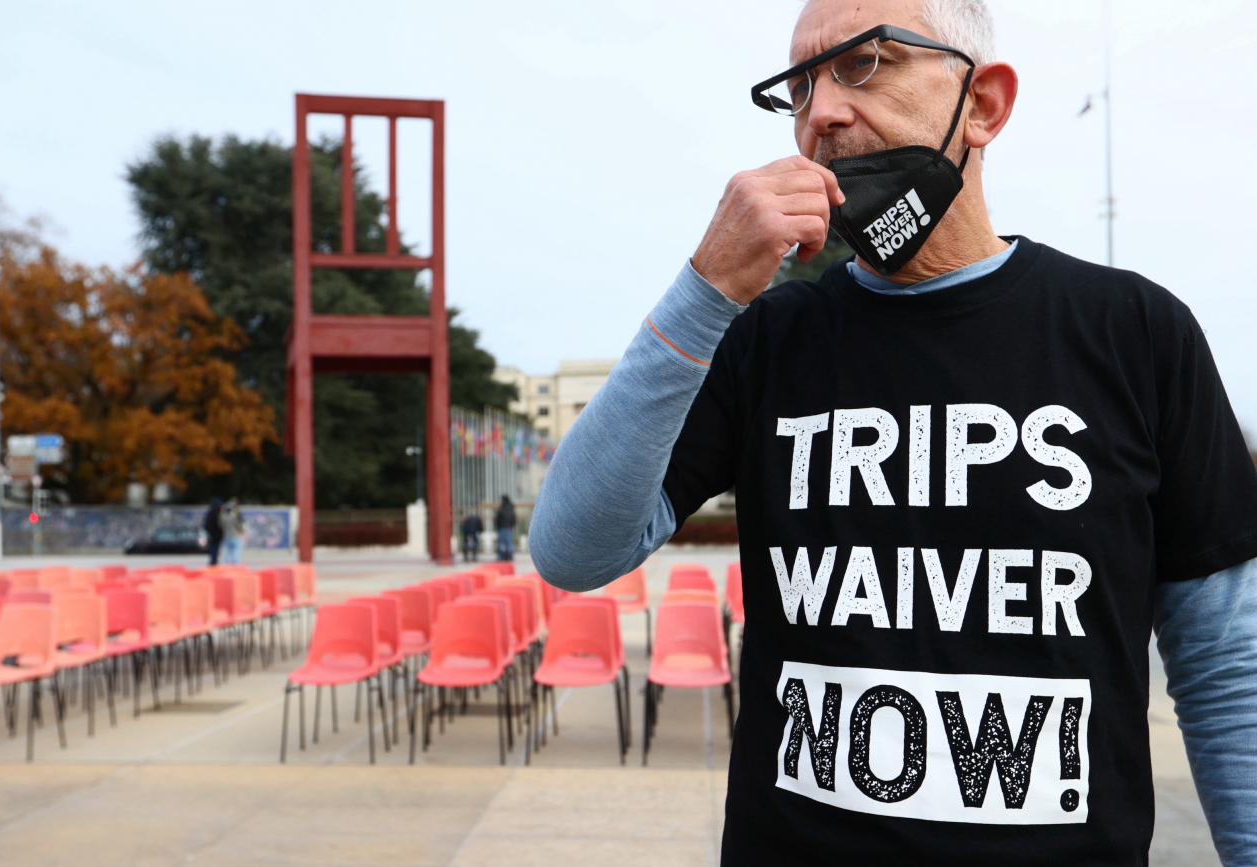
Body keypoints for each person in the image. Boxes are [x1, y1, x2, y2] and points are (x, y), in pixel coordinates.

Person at [529, 1, 1257, 864]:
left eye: (864, 63)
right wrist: (707, 288)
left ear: (983, 104)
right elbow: (573, 550)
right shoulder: (767, 339)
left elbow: (1224, 664)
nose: (821, 112)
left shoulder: (1133, 332)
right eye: (799, 88)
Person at [220, 497, 246, 565]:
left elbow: (221, 525)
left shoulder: (223, 516)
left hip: (227, 536)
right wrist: (243, 532)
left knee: (227, 554)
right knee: (236, 553)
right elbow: (239, 525)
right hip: (236, 536)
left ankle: (227, 568)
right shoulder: (235, 515)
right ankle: (236, 568)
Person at [495, 495, 517, 562]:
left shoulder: (501, 508)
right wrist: (513, 525)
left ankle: (501, 557)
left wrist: (498, 526)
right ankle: (510, 557)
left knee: (502, 543)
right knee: (510, 542)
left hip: (502, 528)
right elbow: (513, 518)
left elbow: (497, 519)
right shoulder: (511, 508)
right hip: (509, 528)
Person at [202, 497, 223, 565]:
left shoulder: (210, 513)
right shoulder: (219, 514)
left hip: (211, 534)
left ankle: (213, 561)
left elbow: (205, 525)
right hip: (217, 534)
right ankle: (214, 561)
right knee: (215, 548)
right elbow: (221, 524)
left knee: (212, 548)